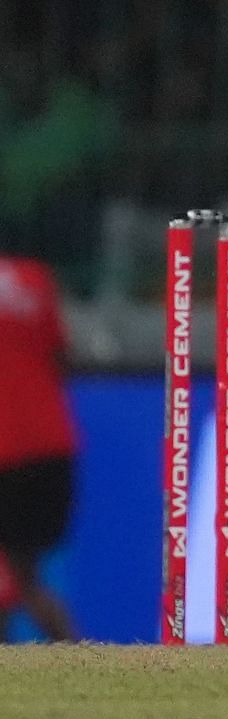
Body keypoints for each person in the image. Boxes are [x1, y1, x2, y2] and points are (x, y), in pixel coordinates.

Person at [0, 254, 80, 642]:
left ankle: (80, 659)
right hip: (50, 443)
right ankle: (79, 658)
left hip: (7, 448)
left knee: (18, 575)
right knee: (22, 573)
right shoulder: (33, 278)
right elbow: (61, 354)